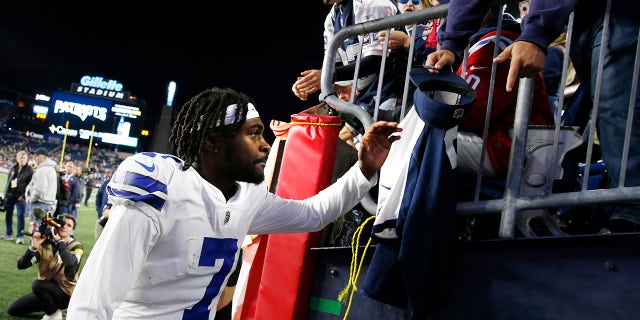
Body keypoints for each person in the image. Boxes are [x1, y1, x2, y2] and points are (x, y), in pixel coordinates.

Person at [67, 87, 400, 319]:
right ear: (213, 142)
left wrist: (364, 169)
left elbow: (312, 214)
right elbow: (94, 298)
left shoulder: (247, 197)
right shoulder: (161, 190)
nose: (266, 145)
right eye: (252, 134)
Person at [426, 0, 640, 231]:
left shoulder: (500, 39)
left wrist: (536, 32)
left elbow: (477, 112)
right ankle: (621, 207)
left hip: (621, 13)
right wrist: (451, 44)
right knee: (607, 111)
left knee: (616, 109)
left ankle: (632, 210)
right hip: (585, 18)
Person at [292, 0, 402, 130]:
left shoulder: (373, 3)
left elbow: (376, 60)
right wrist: (312, 81)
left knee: (384, 147)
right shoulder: (333, 16)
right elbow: (335, 64)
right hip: (364, 98)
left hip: (390, 93)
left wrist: (329, 76)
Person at [7, 213, 83, 320]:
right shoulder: (45, 244)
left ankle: (54, 314)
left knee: (37, 285)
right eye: (62, 223)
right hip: (46, 290)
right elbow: (22, 265)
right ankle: (51, 307)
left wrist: (59, 241)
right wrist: (33, 248)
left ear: (72, 231)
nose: (64, 226)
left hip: (66, 294)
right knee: (13, 310)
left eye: (69, 225)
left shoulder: (76, 246)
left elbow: (71, 265)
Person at [2, 150, 34, 243]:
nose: (22, 159)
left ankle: (20, 236)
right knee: (8, 215)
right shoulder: (13, 168)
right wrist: (6, 194)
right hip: (10, 195)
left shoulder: (29, 170)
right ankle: (9, 234)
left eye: (24, 158)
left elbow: (30, 185)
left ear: (27, 159)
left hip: (21, 198)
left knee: (20, 217)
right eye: (20, 157)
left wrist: (23, 196)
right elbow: (9, 182)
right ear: (17, 158)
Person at [25, 148, 58, 230]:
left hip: (40, 203)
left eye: (37, 155)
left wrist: (30, 199)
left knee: (37, 230)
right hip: (47, 203)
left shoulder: (43, 170)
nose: (35, 158)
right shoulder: (50, 169)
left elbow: (39, 191)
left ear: (44, 157)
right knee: (43, 229)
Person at [94, 168, 113, 239]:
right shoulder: (105, 183)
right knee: (98, 237)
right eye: (106, 172)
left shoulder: (119, 184)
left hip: (112, 216)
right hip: (101, 214)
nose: (107, 174)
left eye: (108, 172)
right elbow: (98, 196)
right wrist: (99, 209)